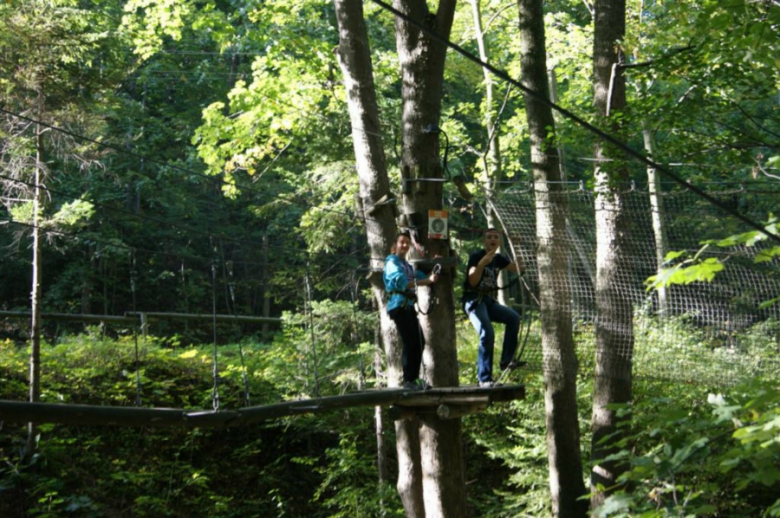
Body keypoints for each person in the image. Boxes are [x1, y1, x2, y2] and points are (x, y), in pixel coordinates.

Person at [462, 228, 524, 388]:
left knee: (513, 318)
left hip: (488, 301)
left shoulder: (498, 259)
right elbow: (472, 281)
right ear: (484, 240)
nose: (493, 240)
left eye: (496, 237)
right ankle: (484, 378)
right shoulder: (476, 257)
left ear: (499, 242)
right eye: (489, 237)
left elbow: (519, 268)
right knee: (486, 331)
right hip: (474, 299)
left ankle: (506, 361)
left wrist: (516, 246)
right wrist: (482, 264)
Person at [384, 232, 439, 391]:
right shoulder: (391, 262)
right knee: (410, 342)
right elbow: (402, 282)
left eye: (407, 243)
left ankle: (413, 379)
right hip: (398, 306)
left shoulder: (405, 265)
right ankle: (408, 380)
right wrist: (426, 281)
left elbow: (419, 275)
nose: (405, 245)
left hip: (407, 307)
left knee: (419, 341)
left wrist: (433, 268)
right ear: (395, 245)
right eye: (402, 242)